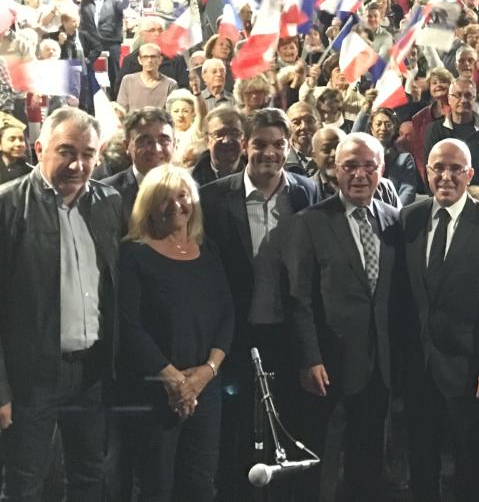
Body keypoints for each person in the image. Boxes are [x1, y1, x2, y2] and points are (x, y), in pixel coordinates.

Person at [0, 107, 121, 501]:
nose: (78, 164)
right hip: (29, 377)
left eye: (88, 153)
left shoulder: (109, 202)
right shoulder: (7, 206)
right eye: (66, 151)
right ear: (39, 149)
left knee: (90, 477)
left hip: (92, 373)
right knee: (25, 483)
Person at [199, 108, 320, 501]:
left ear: (288, 147)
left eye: (277, 145)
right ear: (245, 145)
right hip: (234, 339)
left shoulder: (307, 192)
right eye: (260, 144)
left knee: (289, 431)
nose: (269, 152)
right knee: (235, 436)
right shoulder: (215, 198)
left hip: (288, 336)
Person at [283, 133, 403, 501]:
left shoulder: (396, 220)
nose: (360, 175)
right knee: (319, 461)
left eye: (369, 166)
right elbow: (298, 298)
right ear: (335, 170)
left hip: (377, 365)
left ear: (381, 170)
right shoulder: (310, 222)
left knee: (367, 461)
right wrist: (310, 358)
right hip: (328, 364)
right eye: (350, 166)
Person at [399, 139, 479, 501]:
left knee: (468, 468)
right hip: (418, 369)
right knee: (420, 464)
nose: (446, 176)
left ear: (470, 174)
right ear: (426, 171)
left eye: (455, 169)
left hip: (468, 370)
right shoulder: (410, 218)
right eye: (438, 168)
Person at [118, 164, 234, 501]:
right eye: (163, 199)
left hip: (206, 389)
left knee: (200, 485)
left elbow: (227, 314)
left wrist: (207, 373)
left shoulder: (207, 249)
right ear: (148, 206)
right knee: (156, 487)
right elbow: (129, 325)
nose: (175, 206)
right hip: (154, 391)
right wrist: (174, 380)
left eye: (182, 196)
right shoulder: (133, 254)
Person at [423, 78, 479, 187]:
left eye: (468, 95)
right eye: (458, 95)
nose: (463, 100)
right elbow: (431, 169)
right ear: (449, 99)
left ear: (475, 99)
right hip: (447, 195)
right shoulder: (435, 130)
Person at [102, 108, 175, 230]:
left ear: (175, 144)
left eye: (164, 140)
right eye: (146, 141)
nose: (156, 149)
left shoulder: (190, 190)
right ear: (126, 146)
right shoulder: (107, 194)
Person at [368, 107, 417, 206]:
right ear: (371, 128)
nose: (383, 128)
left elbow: (408, 190)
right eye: (378, 124)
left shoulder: (404, 158)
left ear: (394, 128)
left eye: (388, 124)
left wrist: (395, 213)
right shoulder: (362, 156)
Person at [190, 106, 246, 188]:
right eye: (219, 134)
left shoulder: (258, 178)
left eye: (234, 133)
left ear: (244, 139)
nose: (226, 140)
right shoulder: (190, 181)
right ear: (207, 140)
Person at [116, 43, 179, 112]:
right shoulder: (128, 80)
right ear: (139, 60)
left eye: (153, 57)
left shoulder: (170, 84)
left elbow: (172, 113)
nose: (149, 60)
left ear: (160, 59)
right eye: (145, 57)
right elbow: (121, 110)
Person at [284, 101, 319, 176]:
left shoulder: (331, 158)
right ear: (287, 128)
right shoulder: (281, 161)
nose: (304, 127)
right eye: (296, 122)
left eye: (309, 121)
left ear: (320, 124)